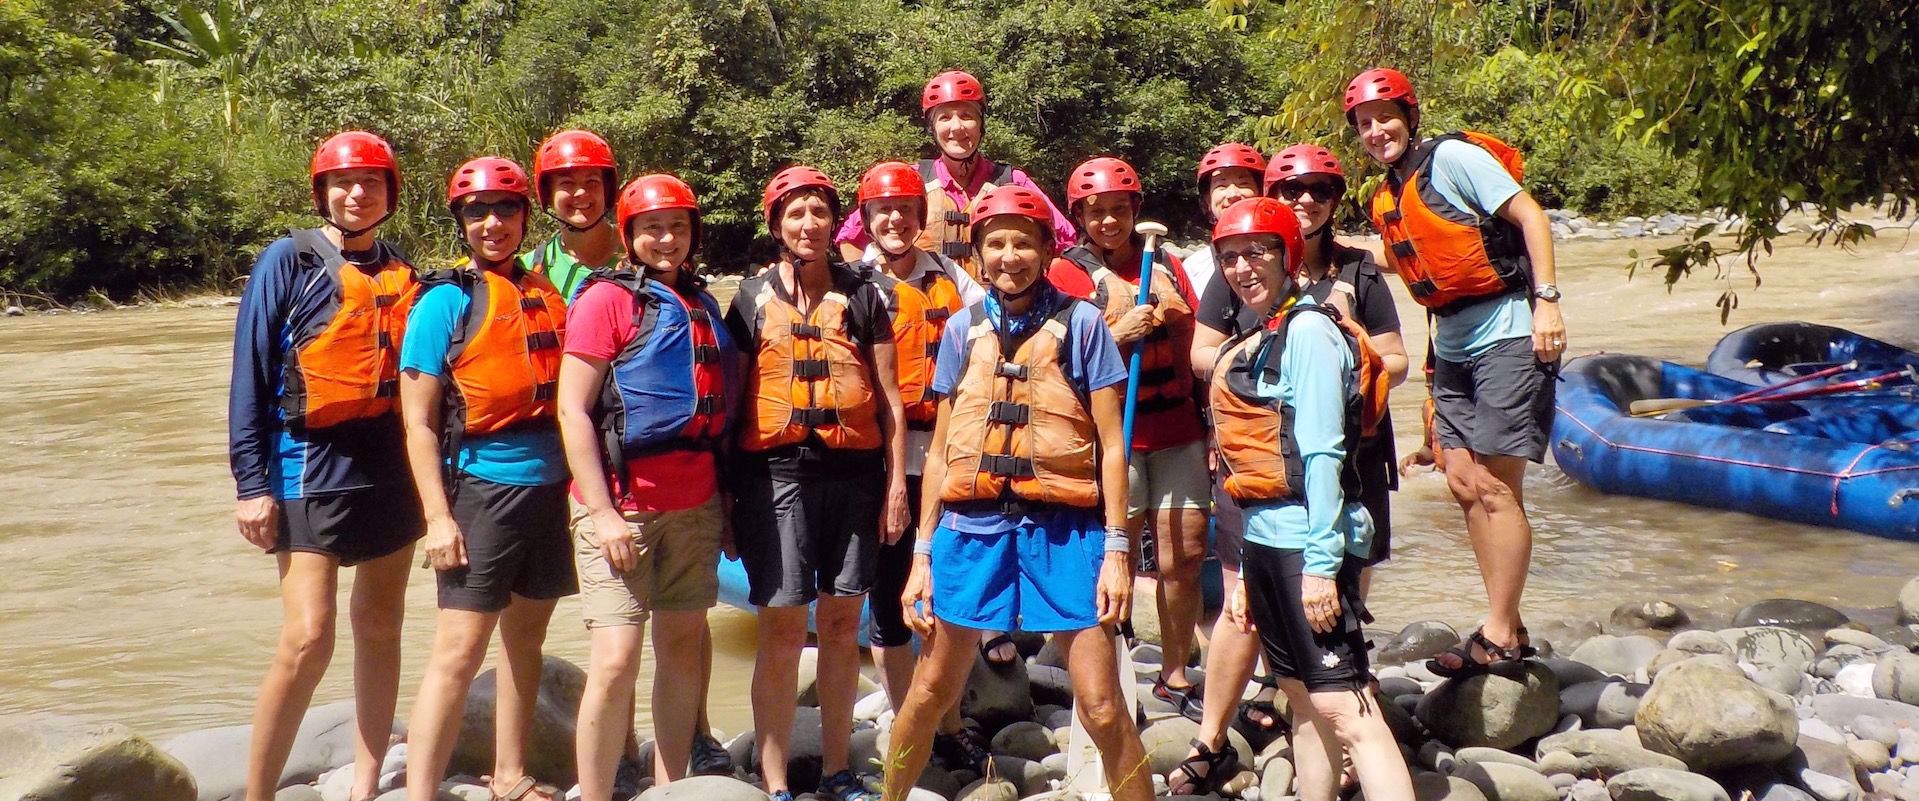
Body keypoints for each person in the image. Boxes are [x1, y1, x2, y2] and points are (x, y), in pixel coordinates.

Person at [881, 184, 1150, 801]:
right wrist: (921, 556)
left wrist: (1116, 550)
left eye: (1023, 243)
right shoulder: (961, 330)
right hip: (971, 532)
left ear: (1047, 250)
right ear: (978, 254)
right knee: (929, 692)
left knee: (1102, 706)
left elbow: (1113, 447)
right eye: (996, 244)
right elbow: (943, 452)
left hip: (1065, 532)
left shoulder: (1083, 325)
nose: (1010, 256)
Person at [1346, 67, 1568, 674]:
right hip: (1453, 345)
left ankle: (1497, 632)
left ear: (1409, 117)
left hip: (1509, 331)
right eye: (1365, 124)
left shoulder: (1452, 159)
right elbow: (1405, 257)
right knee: (1464, 483)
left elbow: (1530, 216)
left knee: (1496, 486)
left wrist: (1548, 301)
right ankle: (1508, 625)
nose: (1376, 131)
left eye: (1386, 118)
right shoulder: (1387, 195)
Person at [228, 130, 423, 801]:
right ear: (323, 193)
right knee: (308, 636)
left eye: (371, 182)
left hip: (390, 470)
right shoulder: (288, 260)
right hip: (308, 464)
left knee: (381, 625)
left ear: (390, 193)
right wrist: (251, 484)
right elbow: (251, 375)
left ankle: (366, 783)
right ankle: (257, 792)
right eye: (343, 182)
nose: (357, 193)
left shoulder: (404, 271)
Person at [1204, 196, 1410, 801]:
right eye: (1230, 257)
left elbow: (1322, 453)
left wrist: (1321, 566)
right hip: (1267, 542)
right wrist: (1249, 573)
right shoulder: (1261, 332)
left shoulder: (1311, 331)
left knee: (1347, 707)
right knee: (1301, 697)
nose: (1243, 268)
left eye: (1257, 252)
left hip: (1310, 544)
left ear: (1288, 255)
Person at [725, 165, 908, 801]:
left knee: (839, 622)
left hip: (854, 477)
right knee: (781, 627)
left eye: (819, 212)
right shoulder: (749, 300)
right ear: (776, 226)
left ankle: (836, 769)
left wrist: (895, 487)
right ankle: (774, 779)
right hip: (776, 477)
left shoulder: (864, 295)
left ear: (836, 222)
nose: (809, 224)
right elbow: (734, 405)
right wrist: (726, 498)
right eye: (795, 214)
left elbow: (889, 400)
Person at [556, 174, 741, 800]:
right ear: (629, 236)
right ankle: (596, 791)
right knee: (615, 660)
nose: (667, 239)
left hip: (696, 503)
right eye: (652, 228)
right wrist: (603, 513)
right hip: (623, 506)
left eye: (678, 227)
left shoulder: (702, 303)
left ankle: (671, 787)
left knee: (682, 648)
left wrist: (727, 510)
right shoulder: (607, 300)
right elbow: (572, 410)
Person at [399, 156, 576, 801]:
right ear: (461, 223)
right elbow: (418, 422)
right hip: (480, 491)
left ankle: (509, 775)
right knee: (458, 651)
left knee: (525, 640)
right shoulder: (444, 302)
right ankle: (418, 793)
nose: (492, 224)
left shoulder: (546, 293)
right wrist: (438, 519)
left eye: (505, 210)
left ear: (525, 218)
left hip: (548, 490)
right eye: (477, 213)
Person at [1049, 156, 1208, 712]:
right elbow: (1055, 359)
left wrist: (1212, 430)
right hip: (1113, 434)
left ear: (1136, 210)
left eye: (1120, 209)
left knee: (1184, 556)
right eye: (1097, 212)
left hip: (1177, 427)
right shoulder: (1066, 274)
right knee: (1110, 558)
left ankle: (1174, 674)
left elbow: (1197, 344)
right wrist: (1117, 333)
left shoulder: (1165, 264)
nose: (1110, 221)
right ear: (1079, 217)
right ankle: (1106, 677)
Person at [851, 160, 995, 772]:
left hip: (945, 449)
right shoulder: (852, 281)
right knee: (889, 594)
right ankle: (907, 715)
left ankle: (949, 719)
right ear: (866, 218)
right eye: (883, 210)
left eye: (905, 210)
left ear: (921, 216)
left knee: (944, 586)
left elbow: (997, 332)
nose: (895, 220)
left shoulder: (955, 280)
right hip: (879, 457)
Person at [835, 70, 1076, 274]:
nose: (957, 127)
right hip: (929, 307)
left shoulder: (1011, 181)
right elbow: (849, 238)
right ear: (933, 128)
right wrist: (876, 286)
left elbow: (1065, 241)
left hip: (995, 309)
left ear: (981, 124)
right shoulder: (910, 180)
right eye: (944, 118)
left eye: (966, 116)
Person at [525, 129, 624, 301]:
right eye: (567, 183)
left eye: (592, 181)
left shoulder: (643, 251)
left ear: (606, 191)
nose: (581, 192)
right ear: (548, 194)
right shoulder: (528, 269)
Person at [1179, 143, 1267, 299]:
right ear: (1208, 200)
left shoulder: (1282, 254)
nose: (1233, 194)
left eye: (1244, 183)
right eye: (1221, 185)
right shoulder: (1194, 268)